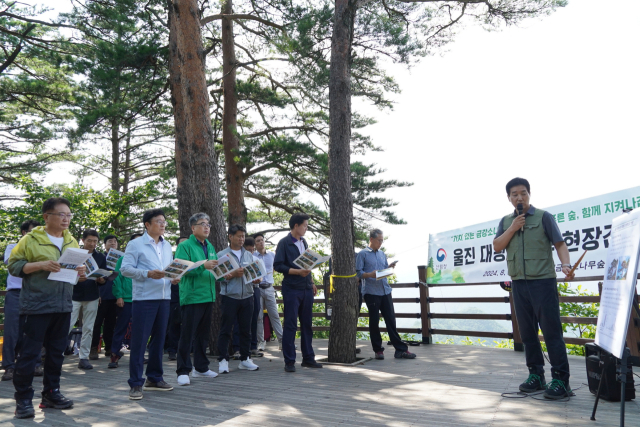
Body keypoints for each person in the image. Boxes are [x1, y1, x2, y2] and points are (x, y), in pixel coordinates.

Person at [493, 177, 573, 400]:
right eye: (515, 194)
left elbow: (560, 243)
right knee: (528, 334)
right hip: (519, 284)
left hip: (543, 282)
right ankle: (536, 375)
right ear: (509, 198)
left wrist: (565, 264)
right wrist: (513, 227)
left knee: (551, 333)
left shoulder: (543, 217)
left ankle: (561, 380)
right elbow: (498, 246)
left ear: (529, 194)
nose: (520, 197)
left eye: (524, 193)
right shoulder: (506, 221)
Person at [8, 197, 86, 418]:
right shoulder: (30, 239)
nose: (66, 219)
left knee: (56, 354)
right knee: (30, 355)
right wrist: (41, 265)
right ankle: (23, 399)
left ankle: (51, 393)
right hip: (36, 306)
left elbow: (73, 271)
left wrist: (79, 274)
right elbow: (14, 267)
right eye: (61, 214)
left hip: (63, 305)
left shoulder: (71, 241)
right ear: (46, 217)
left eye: (69, 215)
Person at [121, 209, 179, 400]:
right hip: (144, 299)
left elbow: (168, 271)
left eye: (164, 221)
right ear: (147, 224)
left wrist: (173, 278)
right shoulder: (136, 244)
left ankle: (155, 378)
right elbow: (125, 269)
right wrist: (147, 274)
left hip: (164, 297)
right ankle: (136, 383)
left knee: (159, 340)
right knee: (139, 342)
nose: (163, 224)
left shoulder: (167, 244)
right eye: (158, 221)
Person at [356, 229, 415, 360]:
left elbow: (383, 270)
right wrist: (370, 274)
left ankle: (400, 350)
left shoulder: (382, 254)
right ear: (371, 239)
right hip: (371, 292)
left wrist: (389, 268)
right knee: (374, 322)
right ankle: (378, 350)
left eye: (382, 240)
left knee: (391, 320)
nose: (381, 243)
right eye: (379, 240)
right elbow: (358, 273)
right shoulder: (362, 254)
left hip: (385, 290)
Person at [274, 213, 322, 373]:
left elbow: (308, 264)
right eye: (305, 226)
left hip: (306, 288)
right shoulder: (284, 243)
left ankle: (308, 358)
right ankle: (289, 361)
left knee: (307, 324)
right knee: (290, 324)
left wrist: (312, 282)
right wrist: (296, 272)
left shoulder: (304, 242)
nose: (306, 229)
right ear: (296, 226)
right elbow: (278, 265)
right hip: (292, 289)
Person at [174, 214, 219, 386]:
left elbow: (213, 269)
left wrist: (223, 274)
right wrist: (203, 266)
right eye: (202, 224)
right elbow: (181, 269)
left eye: (208, 224)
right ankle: (183, 370)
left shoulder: (210, 246)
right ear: (193, 228)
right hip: (192, 296)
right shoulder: (185, 246)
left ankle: (201, 367)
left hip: (208, 295)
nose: (207, 227)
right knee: (187, 335)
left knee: (203, 335)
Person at [2, 220, 42, 382]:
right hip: (15, 294)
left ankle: (35, 363)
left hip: (35, 293)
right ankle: (9, 367)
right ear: (24, 233)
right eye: (34, 231)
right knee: (12, 331)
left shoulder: (42, 249)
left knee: (35, 330)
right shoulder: (13, 247)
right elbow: (12, 262)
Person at [216, 224, 260, 373]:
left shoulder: (249, 255)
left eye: (243, 236)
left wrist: (256, 279)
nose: (241, 239)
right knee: (226, 329)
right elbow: (218, 277)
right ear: (230, 237)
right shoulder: (222, 255)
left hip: (248, 296)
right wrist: (233, 275)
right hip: (230, 297)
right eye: (238, 236)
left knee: (246, 330)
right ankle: (223, 360)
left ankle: (245, 359)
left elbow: (254, 273)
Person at [68, 229, 107, 370]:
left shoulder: (101, 257)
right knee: (67, 325)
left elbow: (104, 279)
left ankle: (83, 357)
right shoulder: (75, 254)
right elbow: (65, 271)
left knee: (89, 328)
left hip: (92, 295)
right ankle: (56, 355)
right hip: (74, 294)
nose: (92, 244)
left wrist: (101, 278)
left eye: (95, 241)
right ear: (83, 240)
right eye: (89, 240)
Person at [108, 232, 143, 368]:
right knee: (121, 327)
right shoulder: (122, 259)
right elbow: (117, 278)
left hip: (142, 298)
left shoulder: (146, 259)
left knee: (140, 328)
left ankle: (138, 355)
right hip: (126, 299)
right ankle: (114, 355)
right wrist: (119, 296)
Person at [90, 234, 119, 359]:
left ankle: (109, 348)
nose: (112, 243)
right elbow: (95, 277)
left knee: (111, 324)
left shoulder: (120, 259)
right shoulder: (101, 257)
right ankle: (93, 348)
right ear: (105, 244)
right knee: (96, 323)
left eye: (114, 241)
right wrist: (98, 294)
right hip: (101, 296)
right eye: (109, 241)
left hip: (115, 296)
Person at [253, 233, 283, 351]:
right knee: (259, 316)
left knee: (274, 314)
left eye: (262, 240)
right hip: (257, 288)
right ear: (255, 244)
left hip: (269, 287)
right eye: (258, 241)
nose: (260, 242)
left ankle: (281, 341)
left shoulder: (272, 255)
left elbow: (275, 268)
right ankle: (261, 341)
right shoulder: (253, 257)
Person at [165, 236, 188, 361]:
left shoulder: (193, 262)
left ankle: (188, 349)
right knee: (174, 324)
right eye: (182, 244)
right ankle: (172, 350)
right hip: (174, 298)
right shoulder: (172, 262)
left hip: (190, 297)